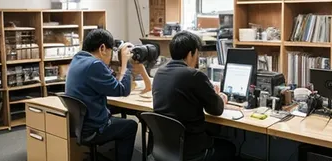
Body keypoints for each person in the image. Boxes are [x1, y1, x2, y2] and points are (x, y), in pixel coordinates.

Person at [152, 31, 237, 161]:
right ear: (191, 53)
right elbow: (216, 110)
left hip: (166, 147)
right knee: (229, 148)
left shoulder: (159, 72)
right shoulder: (194, 75)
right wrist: (220, 96)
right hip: (192, 149)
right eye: (197, 54)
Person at [65, 29, 143, 161]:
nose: (110, 56)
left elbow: (108, 79)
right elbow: (122, 90)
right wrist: (126, 64)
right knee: (130, 125)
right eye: (110, 51)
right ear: (102, 48)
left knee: (116, 109)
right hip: (91, 128)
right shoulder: (94, 65)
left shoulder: (77, 59)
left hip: (80, 122)